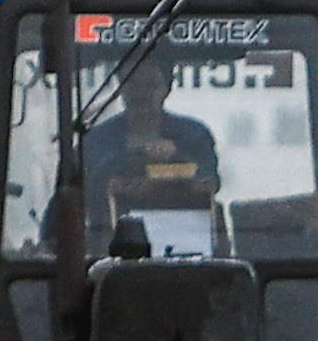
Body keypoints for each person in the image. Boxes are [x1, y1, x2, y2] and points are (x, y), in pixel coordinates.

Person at [80, 49, 221, 230]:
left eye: (150, 85)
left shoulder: (194, 134)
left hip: (184, 235)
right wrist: (133, 159)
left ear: (166, 88)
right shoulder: (96, 139)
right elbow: (87, 187)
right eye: (133, 84)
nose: (141, 94)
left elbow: (209, 181)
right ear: (120, 87)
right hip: (108, 243)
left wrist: (176, 158)